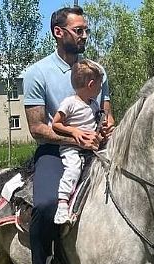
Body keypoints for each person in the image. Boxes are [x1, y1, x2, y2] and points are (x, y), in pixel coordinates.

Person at [21, 6, 115, 264]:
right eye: (79, 30)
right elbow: (37, 129)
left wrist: (106, 126)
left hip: (98, 149)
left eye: (86, 30)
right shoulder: (37, 74)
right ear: (58, 33)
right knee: (47, 205)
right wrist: (76, 138)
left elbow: (107, 112)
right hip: (55, 152)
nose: (85, 35)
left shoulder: (97, 69)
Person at [52, 59, 103, 225]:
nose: (101, 88)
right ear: (91, 84)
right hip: (71, 148)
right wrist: (74, 131)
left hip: (91, 148)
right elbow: (56, 123)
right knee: (73, 169)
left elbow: (96, 124)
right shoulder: (70, 103)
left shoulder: (93, 104)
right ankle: (62, 204)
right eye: (100, 84)